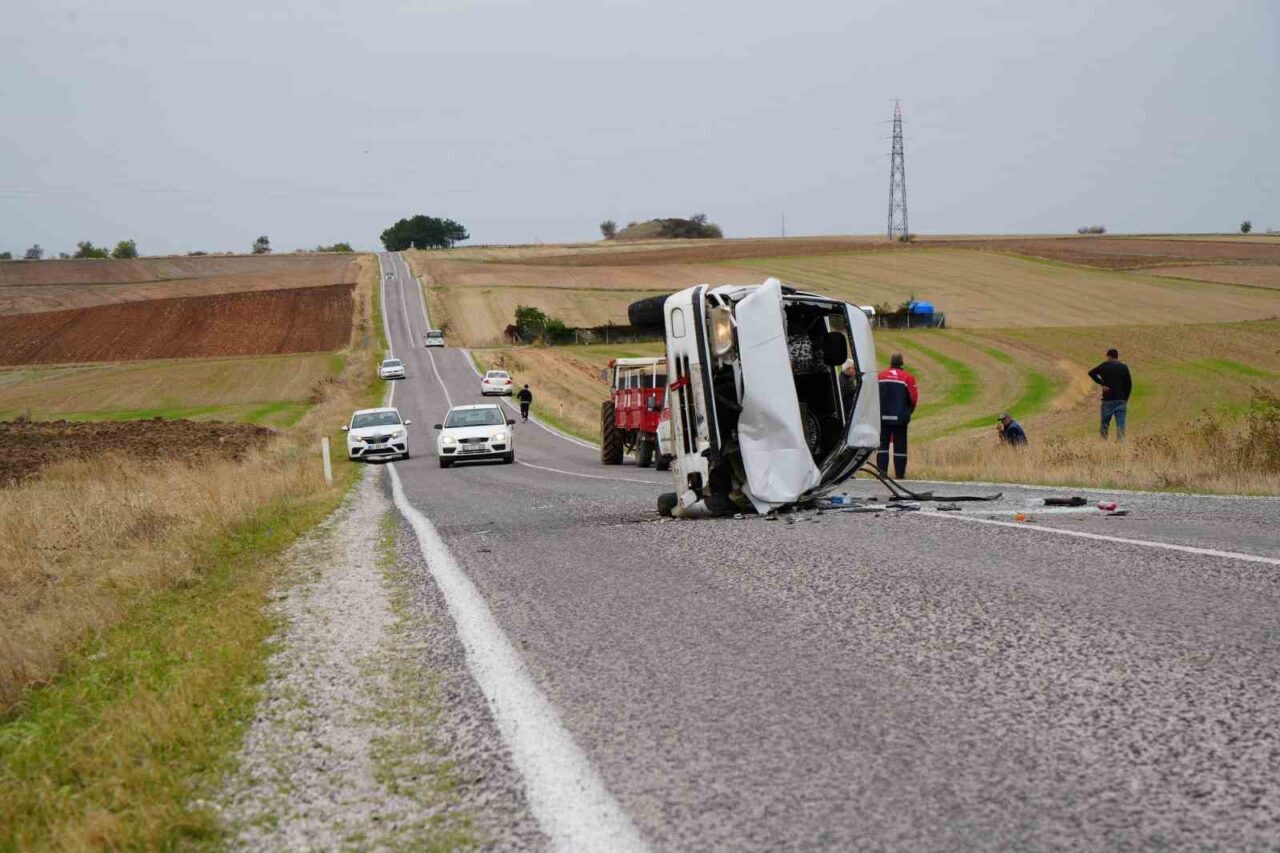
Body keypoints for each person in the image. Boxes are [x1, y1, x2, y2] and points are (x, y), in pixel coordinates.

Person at [877, 353, 918, 478]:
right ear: (902, 363)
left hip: (882, 417)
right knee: (900, 448)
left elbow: (873, 394)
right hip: (900, 418)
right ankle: (900, 475)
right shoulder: (907, 377)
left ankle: (882, 473)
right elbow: (914, 397)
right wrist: (908, 411)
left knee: (882, 446)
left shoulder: (880, 376)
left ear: (891, 363)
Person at [1088, 348, 1133, 440]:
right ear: (1117, 356)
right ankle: (1121, 445)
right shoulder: (1124, 367)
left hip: (1108, 400)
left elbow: (1091, 373)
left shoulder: (1105, 366)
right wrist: (1125, 398)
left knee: (1105, 424)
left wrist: (1102, 383)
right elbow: (1129, 384)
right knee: (1121, 424)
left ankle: (1103, 443)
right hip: (1121, 400)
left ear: (1109, 356)